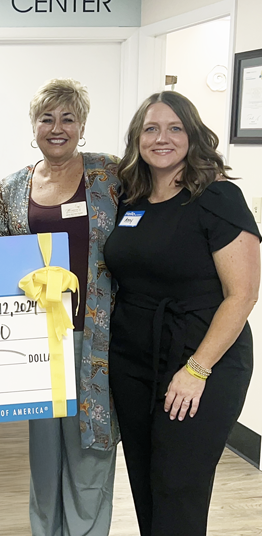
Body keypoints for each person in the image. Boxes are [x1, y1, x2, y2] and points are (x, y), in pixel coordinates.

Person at [104, 91, 259, 536]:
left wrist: (196, 369)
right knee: (146, 486)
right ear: (137, 138)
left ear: (192, 135)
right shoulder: (130, 200)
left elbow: (243, 295)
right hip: (134, 362)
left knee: (178, 488)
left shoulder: (218, 198)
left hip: (200, 360)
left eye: (175, 128)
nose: (162, 138)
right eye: (151, 128)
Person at [0, 78, 120, 536]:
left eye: (68, 118)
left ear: (82, 125)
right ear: (34, 124)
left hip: (96, 341)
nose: (57, 127)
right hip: (38, 343)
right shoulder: (12, 187)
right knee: (44, 459)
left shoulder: (111, 175)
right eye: (48, 118)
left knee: (90, 455)